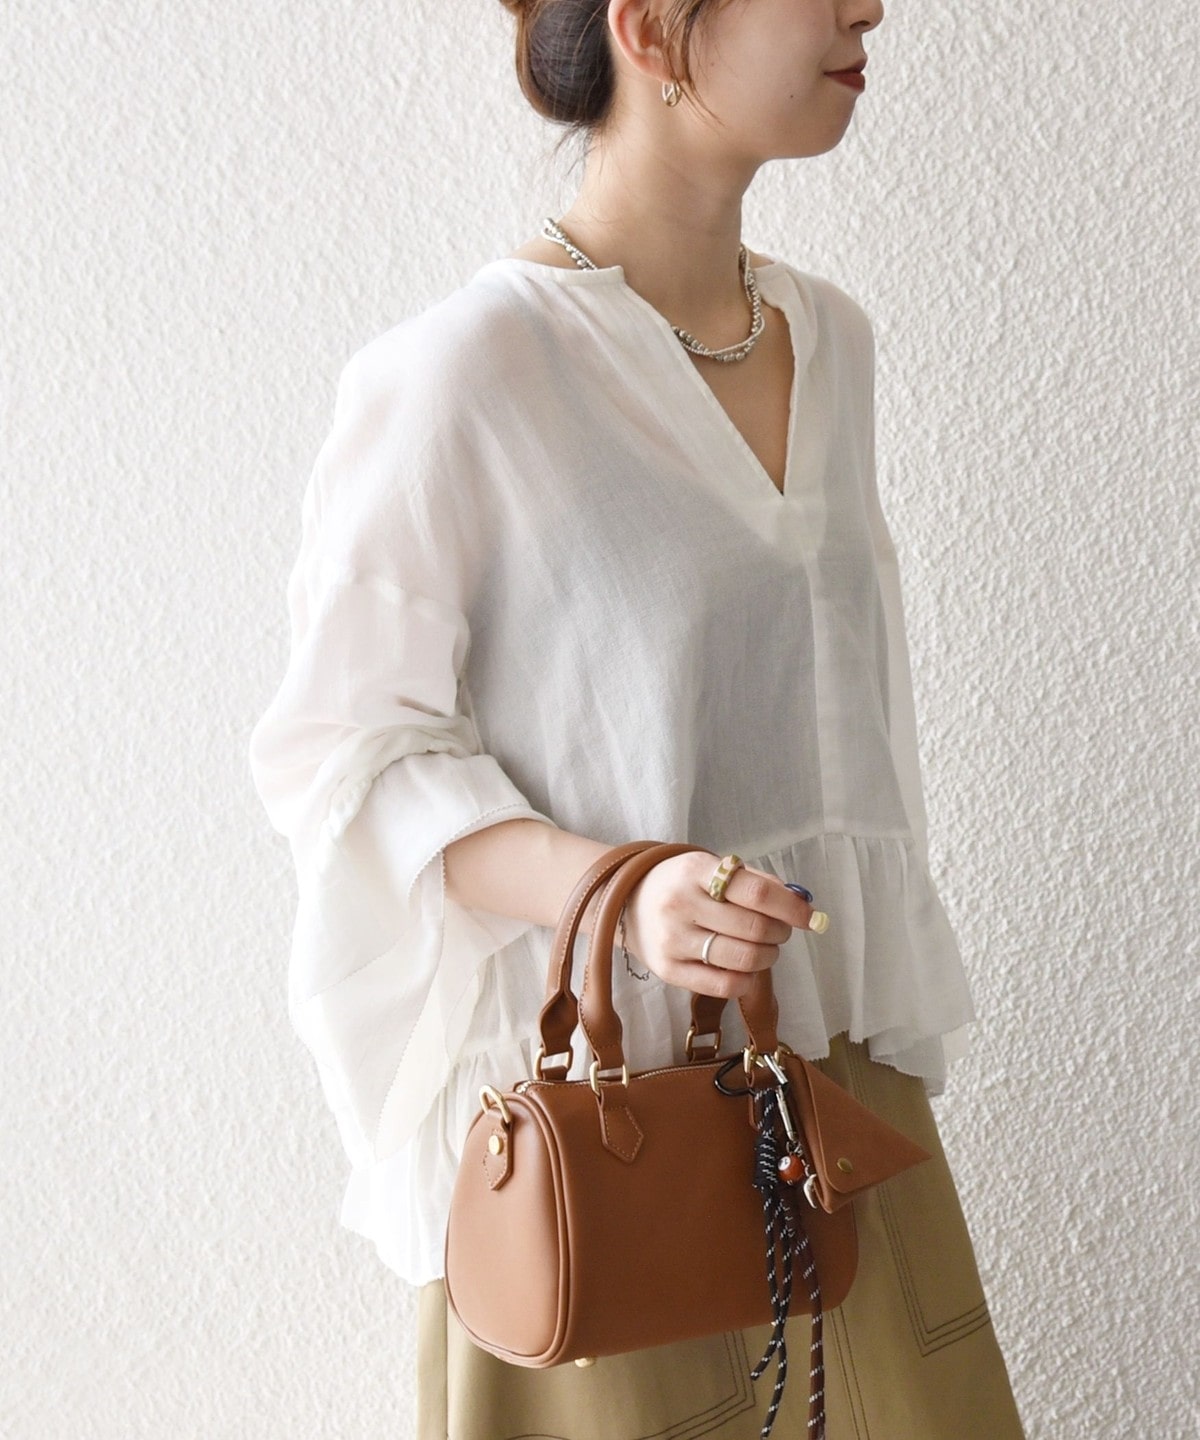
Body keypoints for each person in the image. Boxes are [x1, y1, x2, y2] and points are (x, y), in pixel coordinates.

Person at [248, 1, 1029, 1435]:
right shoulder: (466, 374)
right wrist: (620, 892)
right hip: (612, 1167)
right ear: (652, 29)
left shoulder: (833, 341)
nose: (868, 7)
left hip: (833, 1111)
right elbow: (350, 761)